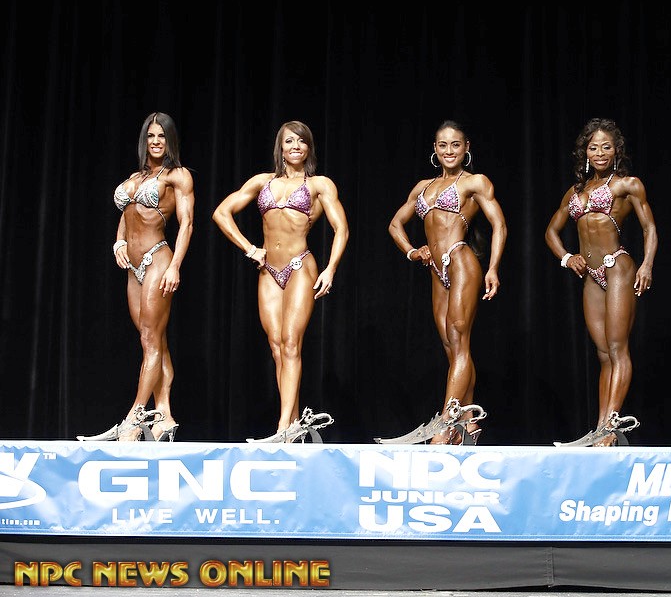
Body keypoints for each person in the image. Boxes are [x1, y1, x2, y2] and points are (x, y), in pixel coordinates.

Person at [213, 120, 348, 443]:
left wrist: (330, 269)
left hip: (300, 265)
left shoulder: (319, 185)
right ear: (281, 148)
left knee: (290, 343)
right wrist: (249, 248)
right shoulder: (263, 182)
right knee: (277, 347)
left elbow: (341, 228)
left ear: (309, 148)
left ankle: (283, 426)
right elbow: (221, 212)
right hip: (268, 271)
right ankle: (293, 423)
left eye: (301, 141)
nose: (295, 146)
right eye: (289, 141)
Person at [378, 120, 507, 445]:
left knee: (459, 341)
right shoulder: (423, 186)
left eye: (455, 145)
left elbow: (499, 225)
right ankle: (468, 422)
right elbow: (395, 224)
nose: (449, 151)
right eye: (443, 145)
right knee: (452, 347)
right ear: (435, 150)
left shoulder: (475, 182)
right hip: (436, 270)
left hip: (461, 260)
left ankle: (445, 424)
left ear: (466, 148)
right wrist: (412, 252)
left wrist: (493, 268)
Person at [77, 112, 195, 442]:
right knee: (154, 340)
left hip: (158, 258)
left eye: (162, 136)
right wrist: (118, 242)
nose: (156, 141)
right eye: (150, 136)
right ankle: (165, 415)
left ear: (170, 140)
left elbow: (186, 223)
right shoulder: (136, 176)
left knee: (150, 340)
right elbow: (127, 214)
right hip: (133, 267)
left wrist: (175, 266)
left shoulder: (178, 175)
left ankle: (134, 417)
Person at [545, 118, 657, 447]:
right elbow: (551, 231)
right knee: (603, 353)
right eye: (593, 148)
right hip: (591, 275)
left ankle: (609, 427)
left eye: (606, 147)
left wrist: (647, 265)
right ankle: (600, 427)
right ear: (585, 153)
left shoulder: (627, 185)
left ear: (616, 151)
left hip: (617, 267)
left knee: (618, 348)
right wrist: (567, 258)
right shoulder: (575, 192)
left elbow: (649, 228)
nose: (599, 153)